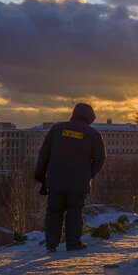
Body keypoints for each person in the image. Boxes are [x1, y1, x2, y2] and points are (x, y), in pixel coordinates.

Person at [34, 102, 106, 253]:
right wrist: (88, 174)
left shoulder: (57, 129)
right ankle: (73, 244)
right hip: (78, 183)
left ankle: (51, 245)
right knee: (74, 212)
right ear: (89, 118)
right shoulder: (93, 134)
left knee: (54, 211)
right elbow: (100, 160)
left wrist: (41, 177)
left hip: (55, 180)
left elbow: (44, 155)